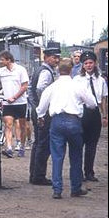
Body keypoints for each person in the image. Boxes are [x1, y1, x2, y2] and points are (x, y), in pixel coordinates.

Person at [34, 57, 98, 199]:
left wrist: (41, 117)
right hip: (74, 121)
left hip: (56, 122)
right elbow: (93, 103)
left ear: (58, 69)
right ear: (71, 70)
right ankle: (75, 188)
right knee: (75, 156)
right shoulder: (78, 86)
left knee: (57, 156)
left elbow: (41, 107)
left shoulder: (52, 87)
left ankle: (57, 189)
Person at [28, 42, 61, 186]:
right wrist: (45, 104)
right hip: (43, 112)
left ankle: (34, 174)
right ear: (46, 57)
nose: (57, 60)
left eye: (58, 57)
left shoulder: (39, 69)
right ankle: (39, 176)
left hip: (37, 110)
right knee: (43, 144)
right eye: (54, 57)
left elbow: (31, 90)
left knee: (38, 143)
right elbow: (41, 89)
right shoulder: (46, 72)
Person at [76, 50, 108, 182]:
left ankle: (89, 171)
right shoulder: (78, 80)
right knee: (79, 144)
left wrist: (104, 115)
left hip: (95, 112)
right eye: (86, 63)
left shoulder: (101, 80)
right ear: (83, 65)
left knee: (92, 144)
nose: (88, 65)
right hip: (82, 112)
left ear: (95, 64)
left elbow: (103, 99)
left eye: (91, 63)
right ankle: (78, 173)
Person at [0, 51, 29, 158]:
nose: (0, 62)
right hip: (7, 103)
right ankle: (9, 148)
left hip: (20, 103)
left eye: (2, 59)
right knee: (8, 124)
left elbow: (24, 86)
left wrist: (14, 97)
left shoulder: (21, 70)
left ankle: (22, 146)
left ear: (8, 60)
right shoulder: (0, 72)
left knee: (22, 125)